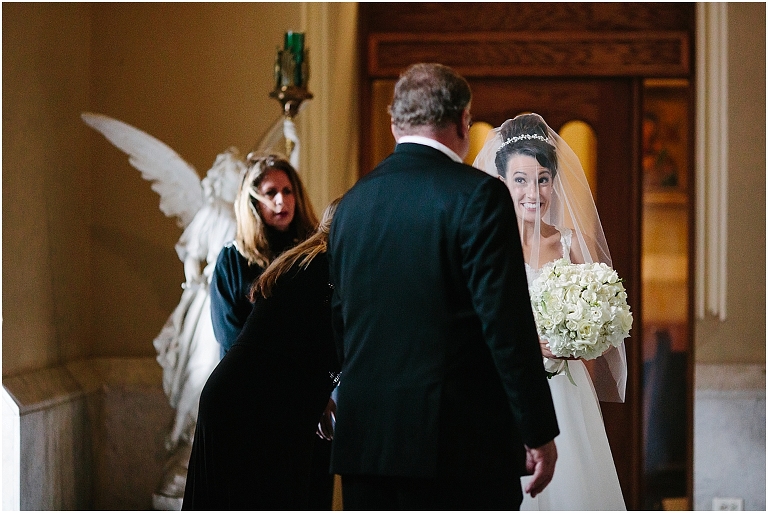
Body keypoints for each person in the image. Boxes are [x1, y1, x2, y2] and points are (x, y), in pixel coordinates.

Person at [327, 63, 559, 510]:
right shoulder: (479, 196)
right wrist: (537, 429)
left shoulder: (353, 203)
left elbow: (340, 319)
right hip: (456, 449)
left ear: (395, 124)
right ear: (464, 121)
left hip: (367, 446)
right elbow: (505, 324)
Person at [473, 112, 627, 510]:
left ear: (554, 182)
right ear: (502, 183)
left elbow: (598, 319)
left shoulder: (571, 244)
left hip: (565, 394)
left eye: (543, 179)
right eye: (521, 180)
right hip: (503, 392)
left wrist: (576, 339)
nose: (533, 192)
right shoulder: (485, 248)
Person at [182, 198, 343, 510]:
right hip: (253, 407)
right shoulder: (327, 268)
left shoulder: (306, 259)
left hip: (236, 398)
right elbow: (336, 344)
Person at [209, 152, 318, 358]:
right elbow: (227, 333)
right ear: (254, 202)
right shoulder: (232, 258)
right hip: (247, 370)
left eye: (287, 191)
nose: (281, 200)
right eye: (271, 193)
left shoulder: (311, 253)